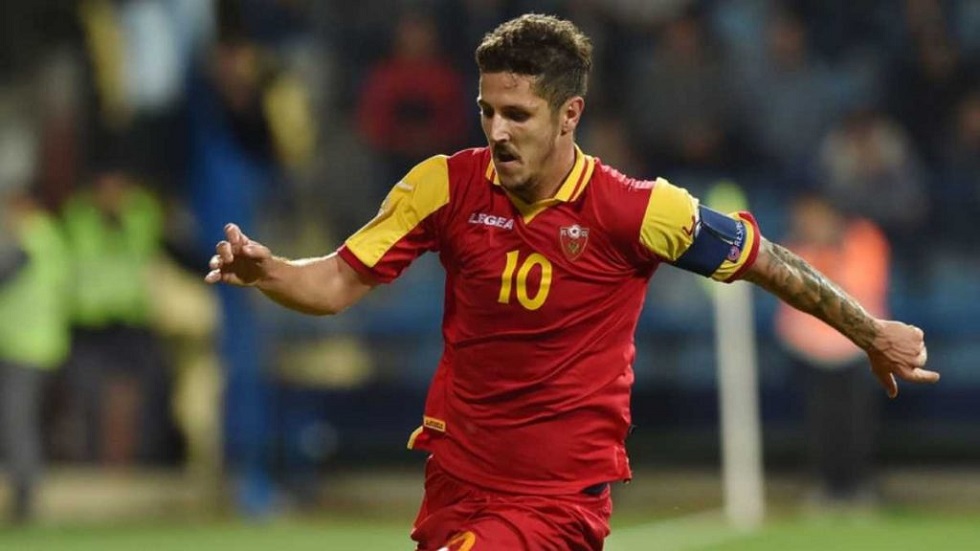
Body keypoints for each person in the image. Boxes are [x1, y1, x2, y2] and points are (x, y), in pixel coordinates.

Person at [205, 14, 939, 550]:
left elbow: (770, 260)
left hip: (554, 504)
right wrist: (270, 271)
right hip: (455, 484)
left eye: (518, 114)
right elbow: (337, 281)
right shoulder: (443, 186)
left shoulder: (638, 210)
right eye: (487, 111)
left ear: (569, 115)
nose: (497, 131)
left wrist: (869, 331)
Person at [775, 193, 891, 509]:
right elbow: (792, 294)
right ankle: (826, 489)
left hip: (855, 351)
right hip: (811, 353)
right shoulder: (794, 249)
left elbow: (860, 288)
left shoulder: (864, 240)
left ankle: (858, 489)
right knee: (819, 426)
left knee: (857, 424)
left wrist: (831, 257)